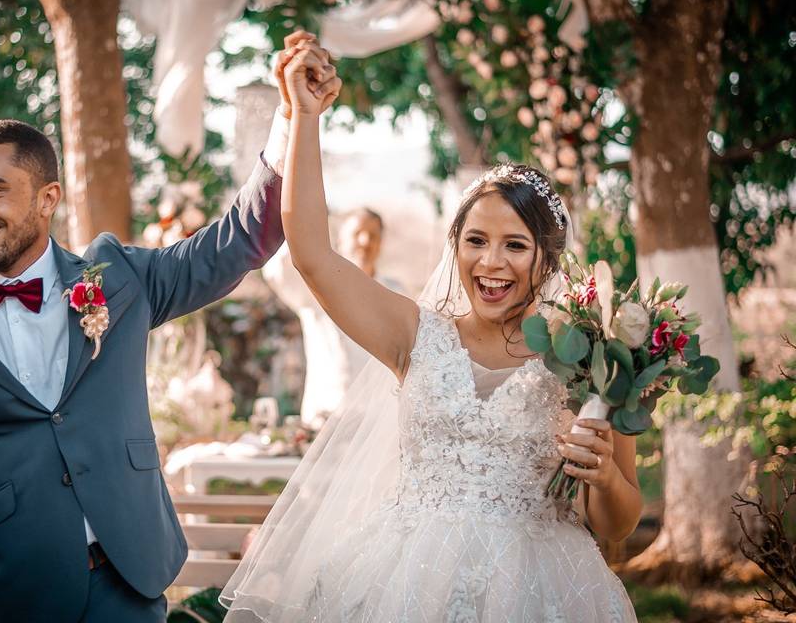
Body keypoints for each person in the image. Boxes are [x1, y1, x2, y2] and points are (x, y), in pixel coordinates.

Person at [0, 34, 338, 623]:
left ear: (48, 199)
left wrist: (292, 118)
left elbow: (240, 241)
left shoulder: (118, 278)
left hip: (128, 583)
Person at [220, 46, 641, 621]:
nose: (491, 263)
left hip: (542, 590)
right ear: (456, 246)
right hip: (403, 581)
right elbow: (312, 254)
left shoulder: (592, 354)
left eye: (515, 245)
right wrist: (305, 117)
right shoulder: (415, 335)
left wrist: (606, 474)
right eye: (476, 240)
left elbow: (617, 524)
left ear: (547, 258)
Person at [263, 207, 403, 427]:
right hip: (325, 420)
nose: (366, 241)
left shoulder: (397, 292)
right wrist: (304, 216)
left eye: (373, 235)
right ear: (339, 240)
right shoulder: (315, 286)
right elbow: (275, 270)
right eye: (357, 233)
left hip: (380, 423)